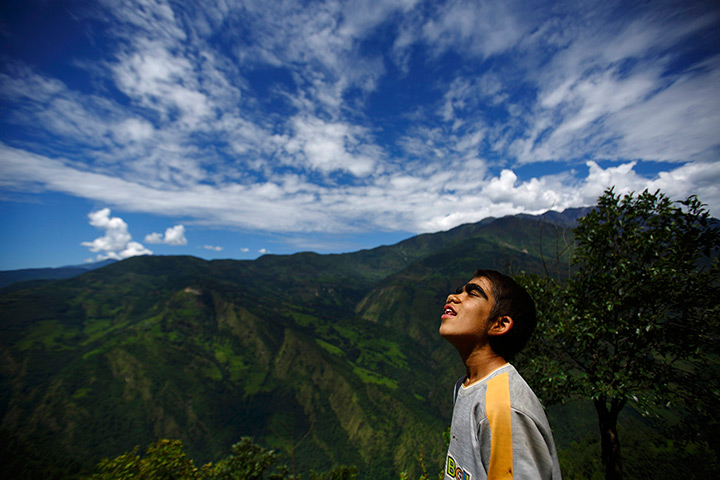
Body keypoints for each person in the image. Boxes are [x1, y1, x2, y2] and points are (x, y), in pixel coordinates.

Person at [439, 269, 561, 480]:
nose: (453, 297)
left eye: (473, 293)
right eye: (460, 291)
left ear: (499, 324)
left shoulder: (502, 408)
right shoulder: (467, 385)